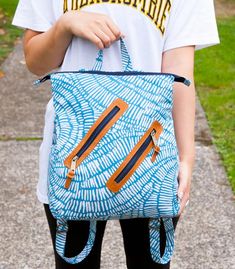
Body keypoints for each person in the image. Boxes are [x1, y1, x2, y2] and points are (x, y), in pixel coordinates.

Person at [12, 0, 219, 268]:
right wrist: (65, 25)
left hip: (150, 157)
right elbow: (36, 63)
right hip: (72, 157)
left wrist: (186, 159)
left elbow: (179, 76)